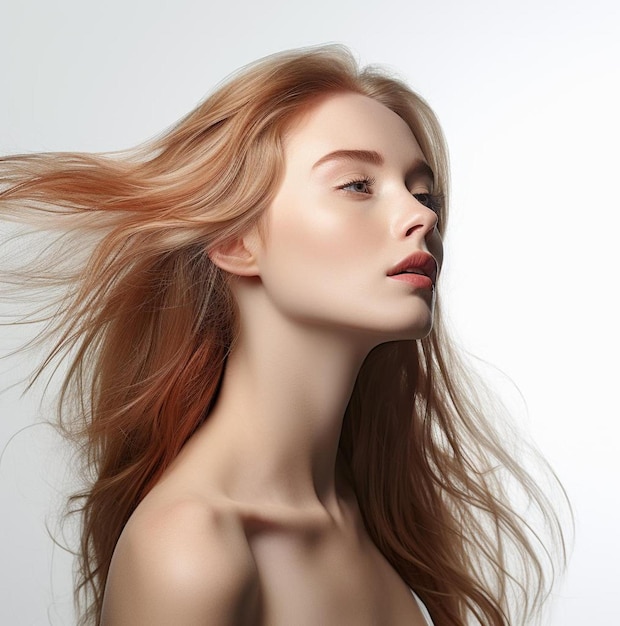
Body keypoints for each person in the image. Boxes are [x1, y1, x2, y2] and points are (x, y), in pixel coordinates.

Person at [0, 45, 568, 626]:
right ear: (235, 242)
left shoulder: (368, 516)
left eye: (423, 193)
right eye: (356, 185)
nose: (421, 217)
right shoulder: (191, 552)